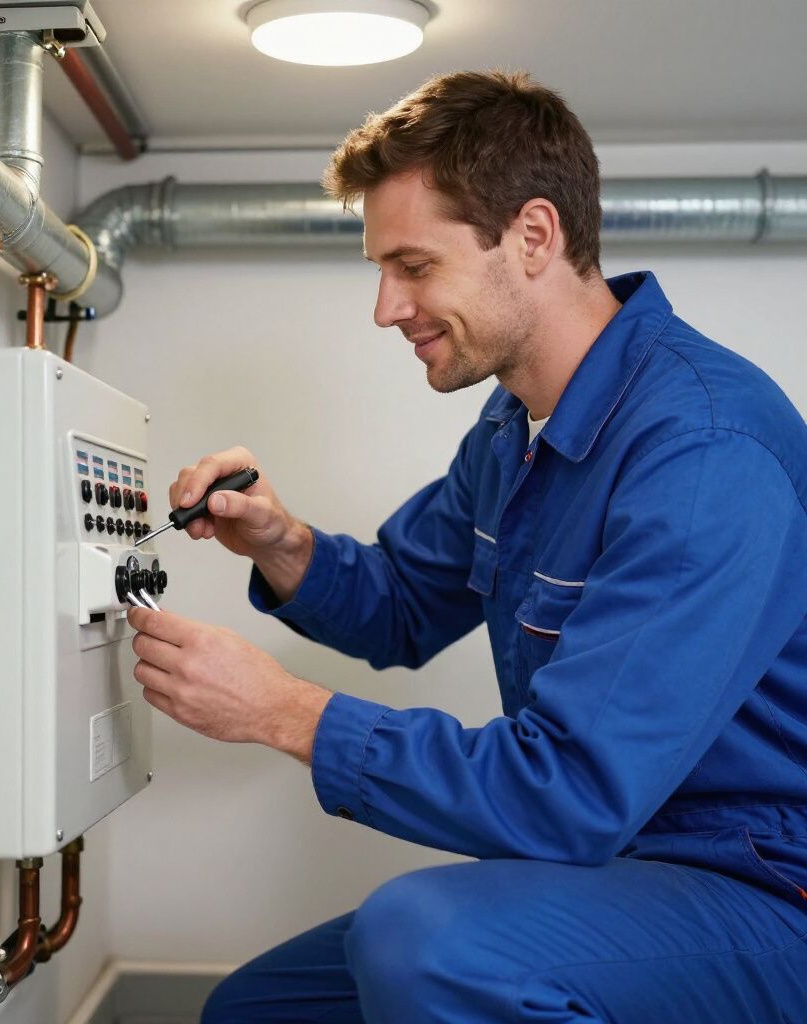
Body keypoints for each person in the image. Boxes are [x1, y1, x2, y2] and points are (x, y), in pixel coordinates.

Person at [125, 71, 807, 1023]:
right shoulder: (514, 428)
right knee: (257, 1011)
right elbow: (404, 601)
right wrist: (280, 544)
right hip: (621, 862)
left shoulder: (700, 449)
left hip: (761, 887)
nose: (385, 308)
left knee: (430, 941)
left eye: (413, 267)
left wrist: (285, 714)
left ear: (533, 236)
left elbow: (572, 788)